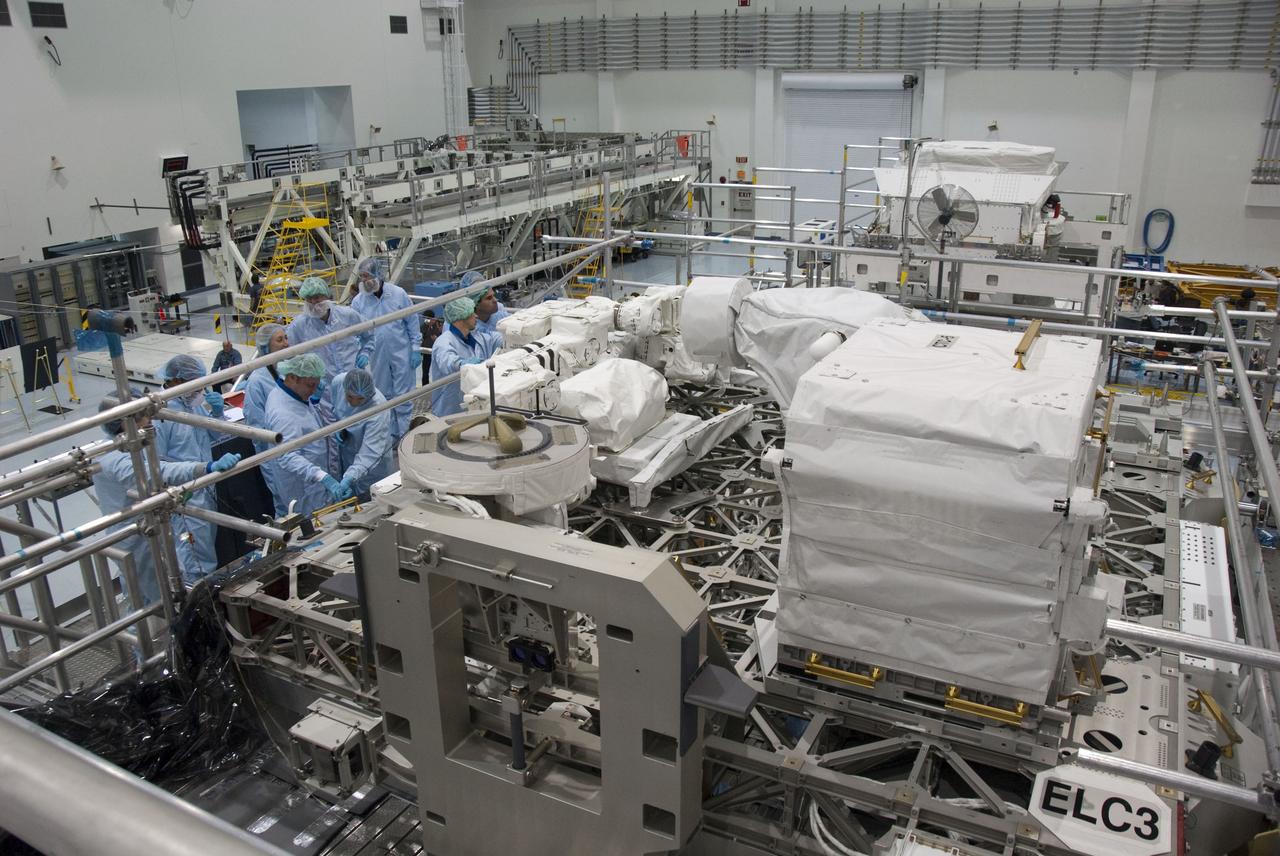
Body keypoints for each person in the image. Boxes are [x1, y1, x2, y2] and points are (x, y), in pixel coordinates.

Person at [92, 395, 240, 606]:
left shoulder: (132, 445)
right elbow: (155, 473)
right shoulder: (112, 458)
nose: (149, 420)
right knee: (152, 600)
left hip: (153, 525)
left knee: (156, 590)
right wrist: (204, 468)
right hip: (136, 538)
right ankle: (163, 634)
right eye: (143, 415)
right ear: (125, 422)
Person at [152, 355, 231, 581]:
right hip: (184, 494)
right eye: (195, 383)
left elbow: (215, 434)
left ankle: (206, 591)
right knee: (193, 556)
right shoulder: (161, 415)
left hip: (206, 486)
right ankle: (197, 599)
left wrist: (217, 413)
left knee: (206, 548)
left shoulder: (193, 405)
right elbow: (157, 463)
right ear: (176, 381)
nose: (200, 389)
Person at [264, 353, 352, 517]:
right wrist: (321, 476)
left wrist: (316, 403)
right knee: (313, 528)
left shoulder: (293, 394)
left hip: (314, 480)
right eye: (310, 385)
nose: (313, 390)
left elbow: (307, 421)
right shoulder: (283, 414)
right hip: (303, 488)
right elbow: (287, 455)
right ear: (292, 377)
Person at [351, 257, 421, 439]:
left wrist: (415, 348)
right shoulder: (358, 302)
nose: (365, 281)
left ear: (378, 274)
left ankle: (405, 436)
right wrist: (363, 352)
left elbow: (411, 321)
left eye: (368, 276)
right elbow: (357, 332)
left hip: (402, 353)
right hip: (376, 356)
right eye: (362, 277)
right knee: (384, 396)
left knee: (404, 397)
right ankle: (390, 438)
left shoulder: (398, 294)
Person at [286, 277, 374, 383]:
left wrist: (365, 352)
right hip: (324, 390)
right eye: (309, 298)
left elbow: (369, 334)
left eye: (317, 297)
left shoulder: (347, 315)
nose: (313, 302)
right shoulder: (299, 326)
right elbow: (289, 356)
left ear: (326, 296)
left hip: (354, 379)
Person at [242, 322, 289, 515]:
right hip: (275, 456)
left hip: (296, 447)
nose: (286, 343)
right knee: (286, 506)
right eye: (280, 340)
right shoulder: (257, 382)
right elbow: (257, 427)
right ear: (265, 347)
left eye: (286, 338)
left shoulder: (287, 369)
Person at [429, 296, 502, 416]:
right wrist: (462, 364)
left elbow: (495, 339)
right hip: (450, 410)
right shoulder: (444, 342)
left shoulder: (476, 337)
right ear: (462, 316)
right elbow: (447, 362)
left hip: (474, 406)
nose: (476, 316)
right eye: (472, 313)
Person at [331, 368, 394, 498]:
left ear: (370, 394)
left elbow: (370, 453)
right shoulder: (339, 382)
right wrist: (338, 428)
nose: (353, 402)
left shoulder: (379, 408)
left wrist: (350, 477)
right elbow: (334, 408)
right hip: (348, 450)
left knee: (372, 499)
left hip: (373, 466)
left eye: (360, 399)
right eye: (349, 396)